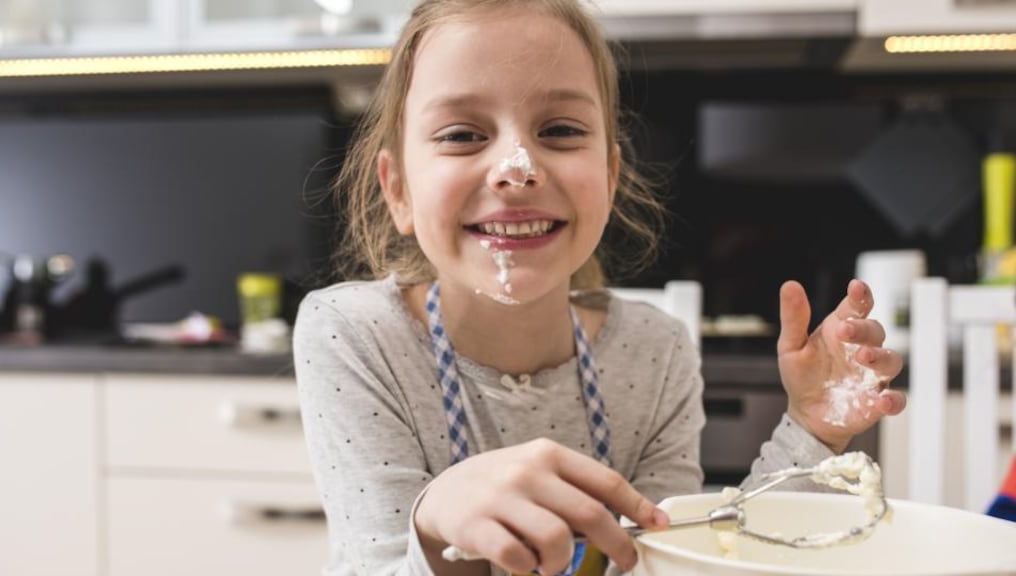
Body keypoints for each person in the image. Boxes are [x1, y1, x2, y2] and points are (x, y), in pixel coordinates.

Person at [292, 1, 906, 574]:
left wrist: (812, 432)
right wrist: (433, 521)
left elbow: (676, 561)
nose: (516, 169)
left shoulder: (654, 351)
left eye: (560, 130)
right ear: (398, 189)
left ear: (609, 178)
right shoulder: (356, 335)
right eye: (461, 134)